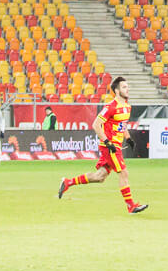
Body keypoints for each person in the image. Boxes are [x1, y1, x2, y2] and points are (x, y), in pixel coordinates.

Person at [56, 76, 146, 214]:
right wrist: (107, 142)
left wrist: (128, 139)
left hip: (116, 145)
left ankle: (68, 182)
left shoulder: (127, 106)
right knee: (123, 172)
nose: (127, 89)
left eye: (127, 86)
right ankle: (131, 206)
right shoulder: (110, 107)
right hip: (110, 147)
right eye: (124, 87)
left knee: (100, 177)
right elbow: (96, 125)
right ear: (117, 91)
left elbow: (122, 125)